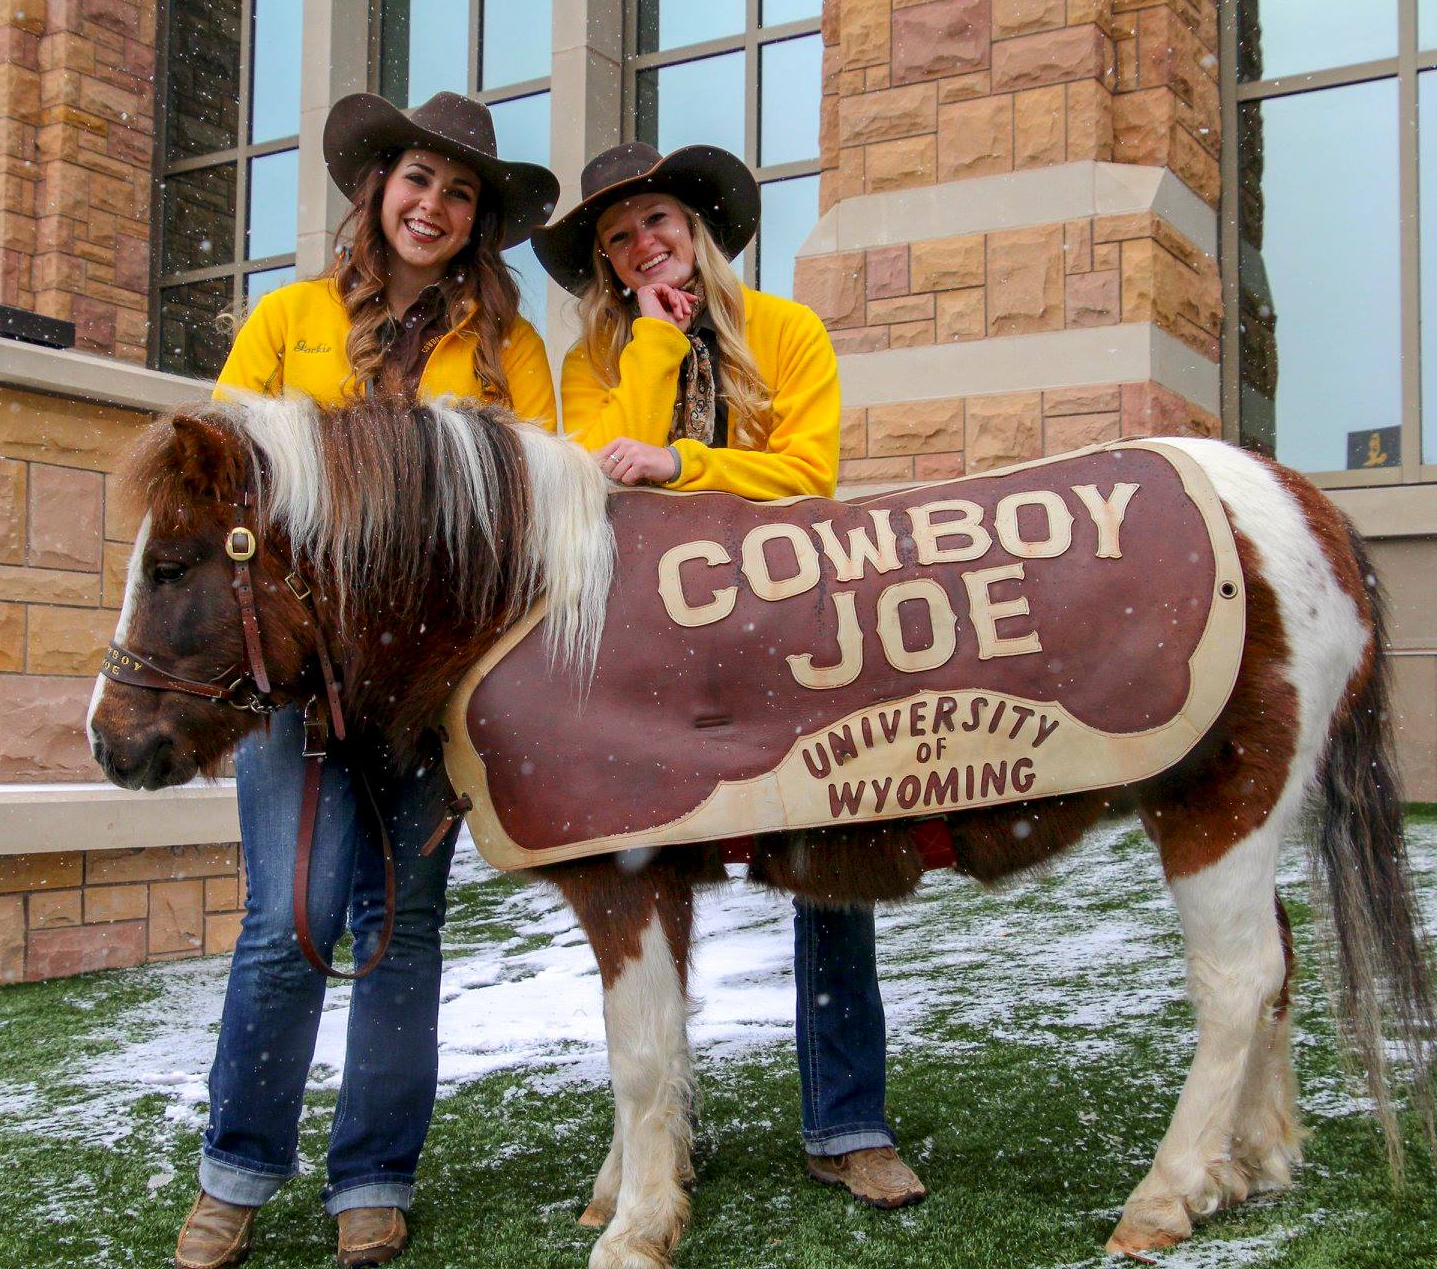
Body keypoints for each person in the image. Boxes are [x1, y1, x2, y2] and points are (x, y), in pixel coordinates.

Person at [175, 91, 558, 1269]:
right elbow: (221, 477)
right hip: (297, 687)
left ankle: (375, 1175)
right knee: (287, 925)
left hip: (430, 690)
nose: (432, 207)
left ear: (479, 219)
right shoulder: (288, 317)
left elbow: (535, 511)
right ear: (376, 190)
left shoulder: (511, 351)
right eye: (416, 181)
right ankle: (237, 1173)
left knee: (403, 930)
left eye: (458, 192)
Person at [531, 141, 928, 1209]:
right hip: (650, 654)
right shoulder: (595, 364)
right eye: (617, 239)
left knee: (829, 870)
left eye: (655, 221)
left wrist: (685, 465)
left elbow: (808, 477)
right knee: (641, 884)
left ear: (696, 228)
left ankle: (848, 1124)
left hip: (785, 639)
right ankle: (650, 1137)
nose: (640, 245)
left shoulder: (788, 333)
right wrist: (653, 353)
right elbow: (593, 479)